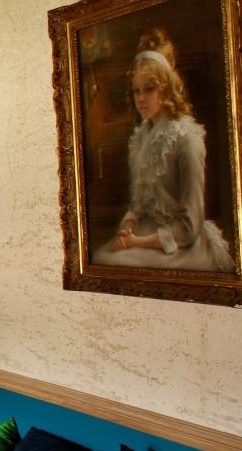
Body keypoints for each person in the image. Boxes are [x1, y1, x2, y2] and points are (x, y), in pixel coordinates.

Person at [92, 29, 235, 272]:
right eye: (136, 90)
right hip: (146, 234)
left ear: (166, 88)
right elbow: (139, 204)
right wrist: (129, 223)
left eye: (149, 89)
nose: (141, 98)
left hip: (180, 243)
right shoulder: (140, 138)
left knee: (112, 262)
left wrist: (138, 242)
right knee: (100, 257)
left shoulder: (186, 138)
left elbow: (190, 226)